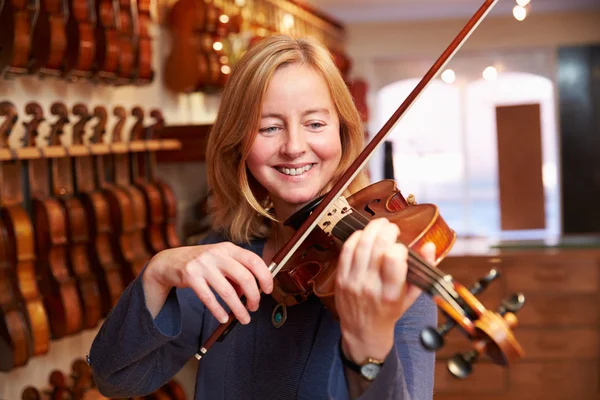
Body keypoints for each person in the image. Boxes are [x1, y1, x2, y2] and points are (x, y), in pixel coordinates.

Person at [88, 35, 437, 400]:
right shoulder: (223, 259)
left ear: (344, 132)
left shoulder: (393, 273)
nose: (294, 147)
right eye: (269, 127)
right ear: (238, 141)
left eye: (315, 124)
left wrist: (370, 346)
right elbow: (116, 379)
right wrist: (157, 273)